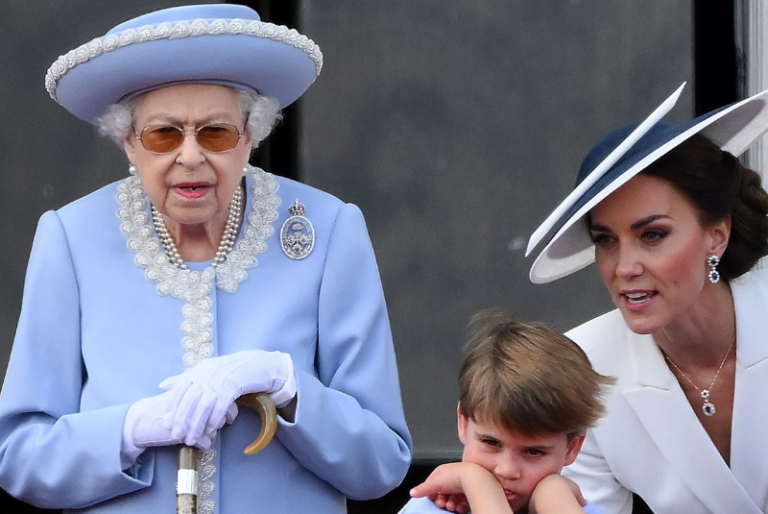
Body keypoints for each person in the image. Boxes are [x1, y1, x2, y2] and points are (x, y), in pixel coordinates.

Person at [0, 5, 412, 514]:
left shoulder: (328, 231)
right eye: (163, 134)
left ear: (250, 137)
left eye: (215, 133)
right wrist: (131, 429)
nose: (190, 156)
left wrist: (286, 385)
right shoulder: (71, 238)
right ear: (129, 142)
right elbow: (19, 457)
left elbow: (381, 463)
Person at [526, 82, 768, 514]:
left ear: (717, 233)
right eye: (606, 240)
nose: (624, 267)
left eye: (652, 235)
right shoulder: (582, 367)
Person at [400, 309, 613, 514]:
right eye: (491, 443)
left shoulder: (571, 506)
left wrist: (554, 500)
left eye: (533, 452)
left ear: (572, 448)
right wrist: (478, 484)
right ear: (463, 422)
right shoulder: (429, 509)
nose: (507, 471)